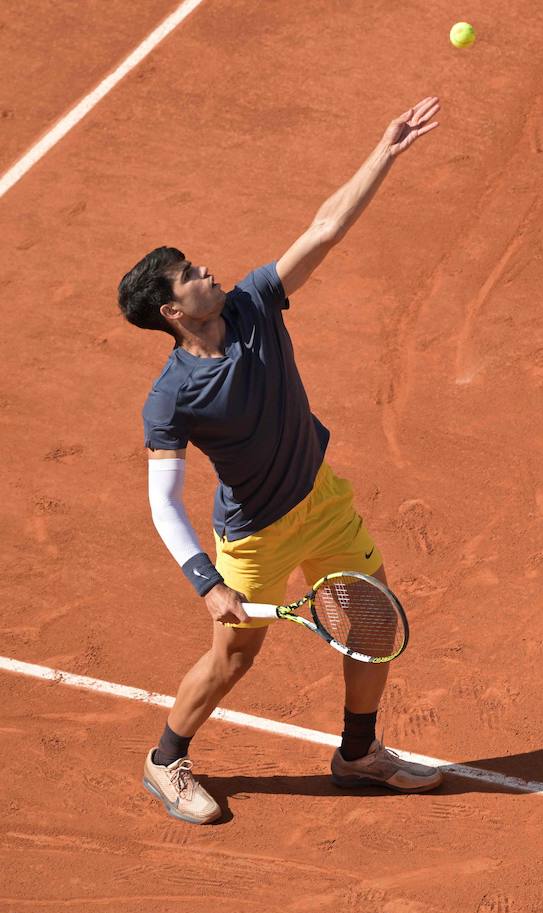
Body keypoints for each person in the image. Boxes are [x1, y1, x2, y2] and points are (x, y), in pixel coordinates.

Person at [116, 97, 444, 824]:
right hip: (254, 536)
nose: (206, 269)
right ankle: (165, 760)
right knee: (233, 658)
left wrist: (383, 151)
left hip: (320, 499)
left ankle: (359, 754)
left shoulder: (255, 303)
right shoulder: (170, 399)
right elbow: (162, 501)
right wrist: (206, 582)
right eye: (189, 274)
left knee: (373, 626)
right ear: (173, 312)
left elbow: (324, 228)